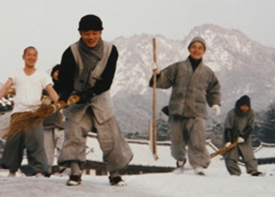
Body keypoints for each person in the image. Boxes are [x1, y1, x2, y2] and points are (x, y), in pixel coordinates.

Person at [55, 14, 133, 186]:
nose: (90, 37)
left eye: (94, 33)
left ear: (101, 32)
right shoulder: (71, 52)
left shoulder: (110, 50)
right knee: (73, 134)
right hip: (76, 100)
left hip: (100, 98)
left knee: (110, 136)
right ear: (80, 33)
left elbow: (106, 82)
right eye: (86, 33)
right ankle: (75, 173)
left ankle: (115, 174)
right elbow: (65, 80)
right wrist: (64, 96)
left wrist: (87, 94)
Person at [150, 36, 221, 176]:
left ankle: (198, 164)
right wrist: (157, 74)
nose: (197, 50)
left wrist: (215, 103)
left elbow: (214, 88)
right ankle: (180, 160)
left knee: (198, 139)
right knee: (177, 142)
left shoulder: (207, 72)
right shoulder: (178, 67)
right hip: (177, 110)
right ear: (189, 49)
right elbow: (164, 80)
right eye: (194, 47)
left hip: (197, 111)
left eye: (200, 48)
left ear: (204, 51)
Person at [0, 47, 59, 177]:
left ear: (37, 58)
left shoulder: (42, 75)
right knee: (14, 142)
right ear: (23, 56)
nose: (31, 57)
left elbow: (51, 90)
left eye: (34, 55)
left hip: (34, 114)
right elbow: (6, 87)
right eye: (29, 55)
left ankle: (38, 170)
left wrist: (60, 104)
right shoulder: (16, 73)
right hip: (18, 113)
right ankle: (12, 170)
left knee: (36, 141)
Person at [223, 95, 263, 176]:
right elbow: (228, 128)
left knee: (249, 156)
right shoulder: (231, 113)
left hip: (244, 138)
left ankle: (253, 171)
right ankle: (235, 173)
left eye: (246, 106)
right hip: (232, 137)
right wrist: (228, 141)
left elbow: (250, 126)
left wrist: (243, 136)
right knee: (230, 158)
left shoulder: (251, 113)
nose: (244, 108)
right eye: (243, 106)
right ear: (239, 105)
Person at [42, 64, 65, 173]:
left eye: (60, 72)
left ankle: (64, 168)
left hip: (62, 122)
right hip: (47, 122)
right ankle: (47, 169)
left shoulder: (67, 89)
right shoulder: (47, 89)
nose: (57, 74)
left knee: (62, 145)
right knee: (48, 147)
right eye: (56, 71)